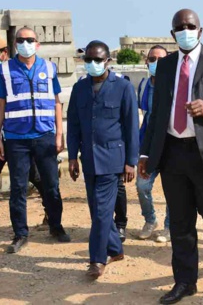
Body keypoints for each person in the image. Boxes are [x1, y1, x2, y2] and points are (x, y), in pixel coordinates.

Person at [138, 9, 203, 304]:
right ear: (173, 34)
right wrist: (147, 153)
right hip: (172, 152)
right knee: (181, 223)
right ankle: (185, 281)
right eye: (179, 27)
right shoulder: (167, 65)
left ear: (200, 29)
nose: (185, 30)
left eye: (190, 25)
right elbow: (156, 113)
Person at [0, 27, 70, 253]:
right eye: (21, 40)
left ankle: (56, 226)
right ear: (15, 44)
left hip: (45, 136)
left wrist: (59, 134)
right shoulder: (4, 70)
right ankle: (20, 234)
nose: (25, 43)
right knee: (18, 187)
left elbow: (56, 102)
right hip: (17, 138)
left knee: (51, 185)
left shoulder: (48, 68)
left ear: (37, 44)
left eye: (30, 39)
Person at [67, 40, 139, 279]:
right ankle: (116, 249)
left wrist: (131, 162)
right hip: (88, 159)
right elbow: (74, 126)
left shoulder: (123, 87)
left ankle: (97, 260)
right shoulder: (80, 89)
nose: (93, 64)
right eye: (88, 60)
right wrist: (72, 157)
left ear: (108, 61)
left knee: (100, 212)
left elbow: (131, 127)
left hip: (112, 159)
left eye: (97, 60)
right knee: (98, 209)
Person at [0, 35, 47, 240]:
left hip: (18, 136)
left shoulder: (18, 72)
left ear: (5, 52)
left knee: (34, 176)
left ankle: (50, 212)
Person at [136, 45, 171, 243]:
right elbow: (144, 115)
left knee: (171, 190)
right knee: (142, 185)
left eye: (161, 59)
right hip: (148, 146)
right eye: (152, 59)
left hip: (170, 146)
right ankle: (150, 221)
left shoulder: (175, 86)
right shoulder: (143, 85)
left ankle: (169, 227)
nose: (155, 63)